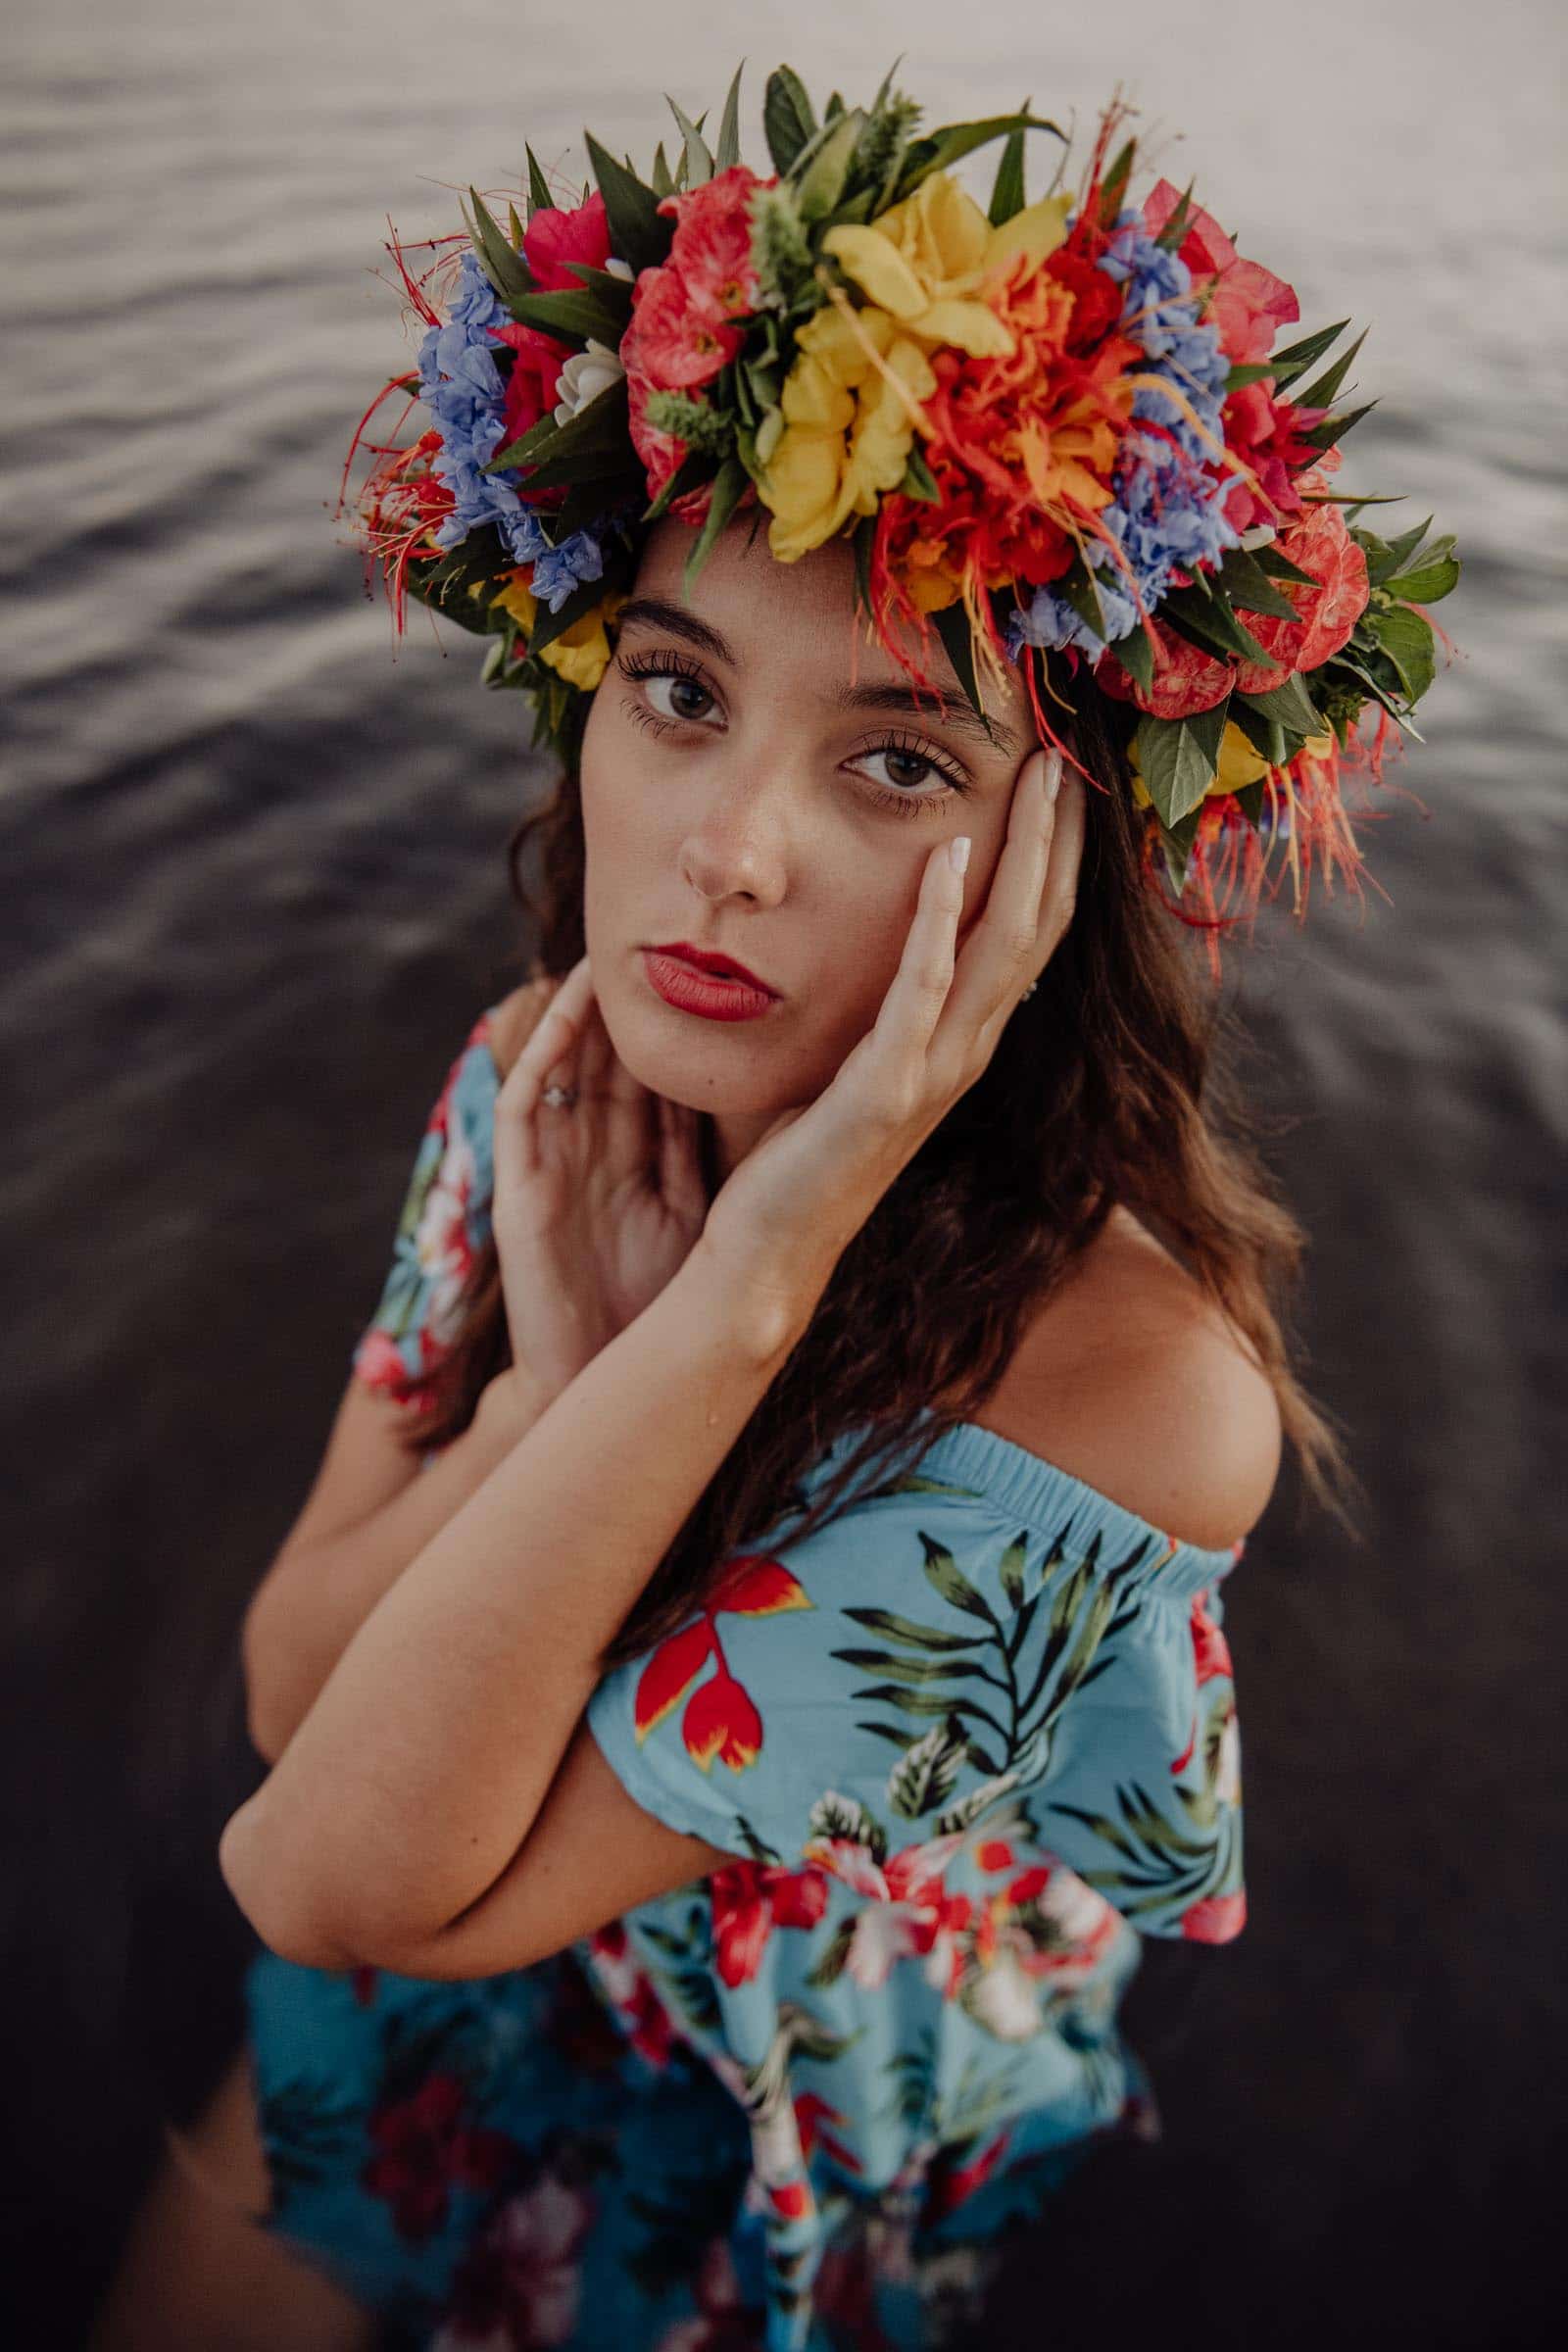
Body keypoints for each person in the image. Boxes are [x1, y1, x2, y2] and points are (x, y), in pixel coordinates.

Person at [91, 62, 1455, 2352]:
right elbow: (296, 1714)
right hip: (451, 1905)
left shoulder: (1122, 1403)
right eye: (676, 691)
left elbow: (329, 1865)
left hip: (789, 2082)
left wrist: (732, 1297)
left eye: (896, 760)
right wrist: (557, 1381)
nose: (729, 848)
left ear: (1061, 865)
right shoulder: (550, 1088)